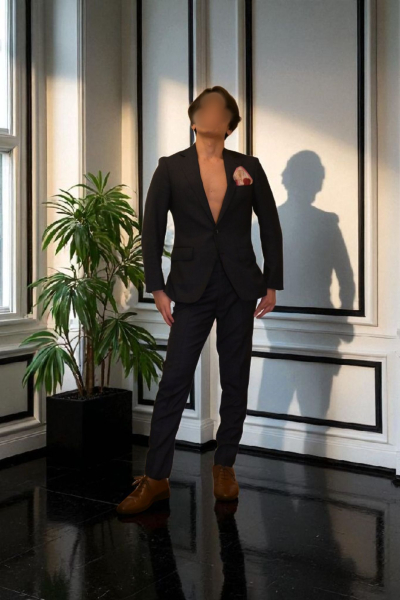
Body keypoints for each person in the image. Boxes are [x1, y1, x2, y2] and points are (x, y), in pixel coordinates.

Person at [116, 86, 283, 515]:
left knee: (235, 377)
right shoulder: (171, 167)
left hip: (239, 284)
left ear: (229, 123)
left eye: (220, 110)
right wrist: (156, 287)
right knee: (174, 379)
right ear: (193, 120)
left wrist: (271, 282)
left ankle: (224, 466)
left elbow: (270, 224)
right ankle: (156, 478)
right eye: (204, 109)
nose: (211, 115)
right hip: (190, 286)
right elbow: (151, 229)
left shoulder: (248, 167)